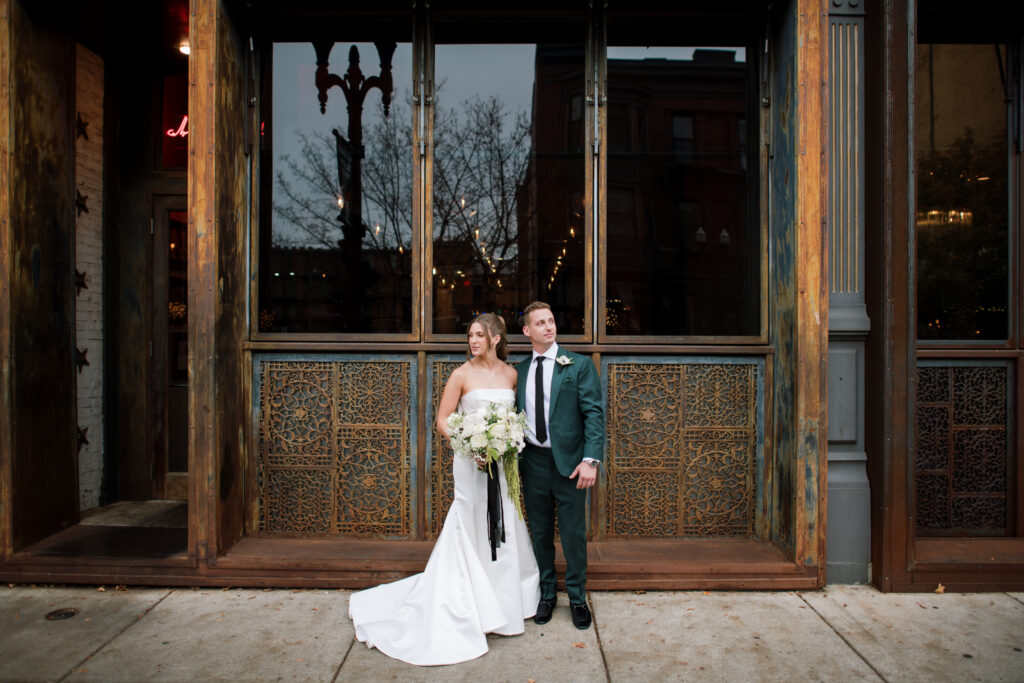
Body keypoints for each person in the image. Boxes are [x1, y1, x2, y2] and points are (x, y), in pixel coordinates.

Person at [348, 313, 540, 666]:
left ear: (496, 338)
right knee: (470, 521)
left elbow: (517, 420)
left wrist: (507, 442)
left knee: (506, 523)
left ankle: (505, 603)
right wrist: (472, 444)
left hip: (503, 464)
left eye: (480, 335)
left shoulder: (512, 374)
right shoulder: (461, 375)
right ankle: (468, 604)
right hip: (472, 463)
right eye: (470, 336)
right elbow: (442, 420)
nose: (473, 341)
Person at [516, 301, 605, 630]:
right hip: (533, 463)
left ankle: (578, 597)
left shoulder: (577, 365)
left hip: (570, 465)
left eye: (551, 321)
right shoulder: (520, 370)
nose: (548, 327)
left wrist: (590, 460)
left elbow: (593, 413)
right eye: (539, 323)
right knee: (539, 533)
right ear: (527, 331)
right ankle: (547, 594)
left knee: (572, 534)